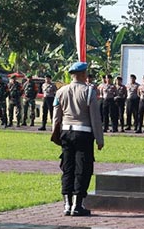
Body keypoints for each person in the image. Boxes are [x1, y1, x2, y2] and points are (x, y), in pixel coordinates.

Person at [52, 61, 104, 217]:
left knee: (68, 168)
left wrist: (56, 134)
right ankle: (77, 204)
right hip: (83, 133)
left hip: (66, 133)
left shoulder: (61, 91)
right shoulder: (89, 92)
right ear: (82, 74)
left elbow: (56, 117)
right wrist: (99, 139)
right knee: (83, 169)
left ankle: (67, 204)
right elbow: (95, 118)